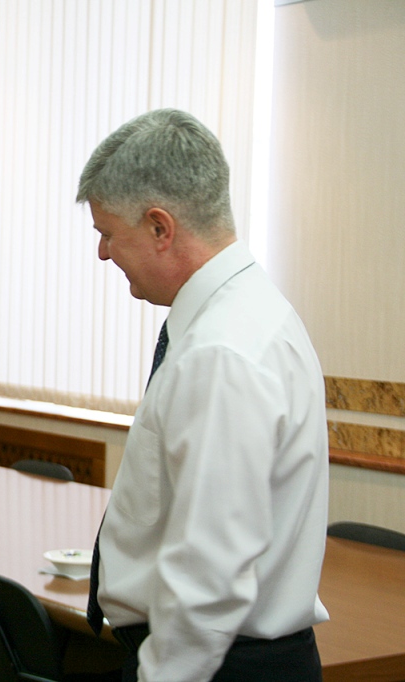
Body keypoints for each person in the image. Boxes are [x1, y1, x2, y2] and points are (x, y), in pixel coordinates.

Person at [76, 109, 329, 682]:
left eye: (108, 233)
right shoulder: (250, 314)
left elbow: (209, 574)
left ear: (161, 227)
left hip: (217, 666)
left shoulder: (222, 351)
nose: (104, 254)